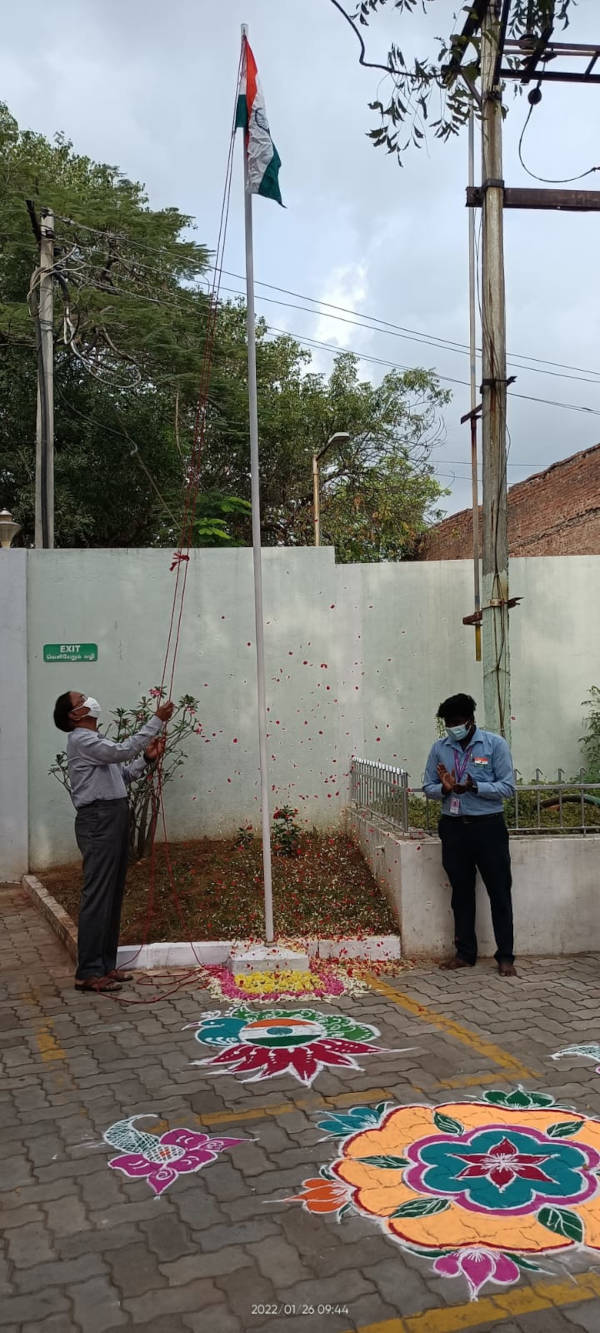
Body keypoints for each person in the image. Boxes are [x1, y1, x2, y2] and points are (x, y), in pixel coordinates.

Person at [53, 690, 174, 993]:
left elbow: (122, 774)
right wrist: (156, 721)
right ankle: (89, 972)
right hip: (99, 820)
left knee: (112, 892)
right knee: (98, 894)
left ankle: (105, 965)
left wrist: (147, 760)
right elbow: (121, 751)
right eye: (82, 699)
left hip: (112, 816)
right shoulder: (83, 740)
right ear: (74, 715)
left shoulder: (95, 742)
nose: (91, 700)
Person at [423, 692, 516, 978]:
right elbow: (427, 787)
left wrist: (475, 787)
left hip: (488, 827)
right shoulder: (439, 749)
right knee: (461, 893)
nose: (453, 726)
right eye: (448, 722)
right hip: (454, 828)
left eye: (457, 721)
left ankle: (505, 957)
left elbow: (508, 788)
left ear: (470, 720)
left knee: (499, 892)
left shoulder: (494, 745)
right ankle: (465, 954)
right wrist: (446, 789)